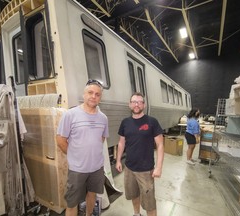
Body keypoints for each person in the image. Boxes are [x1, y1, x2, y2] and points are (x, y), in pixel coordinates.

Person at [56, 79, 109, 216]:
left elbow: (101, 139)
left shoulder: (103, 118)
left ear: (100, 97)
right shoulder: (70, 115)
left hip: (97, 168)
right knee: (72, 202)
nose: (93, 96)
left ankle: (89, 214)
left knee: (92, 195)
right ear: (84, 94)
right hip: (77, 169)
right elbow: (60, 140)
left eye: (97, 94)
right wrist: (75, 154)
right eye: (90, 92)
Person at [116, 92, 164, 216]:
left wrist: (158, 167)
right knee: (133, 194)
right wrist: (118, 160)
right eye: (134, 102)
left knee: (149, 203)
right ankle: (136, 213)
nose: (136, 104)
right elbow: (121, 143)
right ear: (129, 104)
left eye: (139, 102)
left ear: (144, 104)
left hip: (146, 170)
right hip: (129, 168)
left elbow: (160, 145)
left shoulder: (152, 121)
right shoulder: (125, 122)